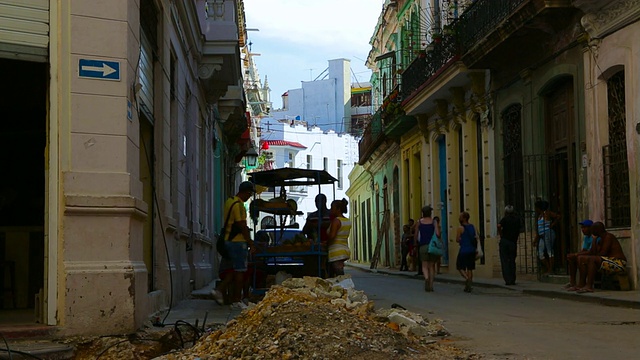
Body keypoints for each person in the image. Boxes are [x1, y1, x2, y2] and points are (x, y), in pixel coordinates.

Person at [215, 181, 256, 310]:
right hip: (237, 242)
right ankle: (236, 300)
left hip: (227, 240)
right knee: (240, 271)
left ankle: (220, 290)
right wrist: (250, 242)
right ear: (247, 192)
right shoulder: (239, 206)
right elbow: (241, 225)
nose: (249, 197)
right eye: (249, 194)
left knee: (233, 271)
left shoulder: (229, 202)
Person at [574, 221, 627, 293]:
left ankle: (589, 286)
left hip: (619, 263)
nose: (592, 232)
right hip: (608, 261)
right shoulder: (599, 238)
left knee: (591, 259)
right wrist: (594, 240)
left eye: (593, 230)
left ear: (597, 230)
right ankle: (581, 284)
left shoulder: (608, 237)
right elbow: (593, 252)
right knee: (582, 258)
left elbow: (603, 253)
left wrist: (593, 255)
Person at [565, 220, 598, 291]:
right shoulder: (586, 238)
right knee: (571, 258)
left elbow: (591, 252)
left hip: (593, 257)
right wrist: (575, 255)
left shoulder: (594, 237)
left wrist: (577, 254)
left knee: (580, 258)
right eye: (582, 228)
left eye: (584, 228)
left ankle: (582, 283)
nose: (582, 230)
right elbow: (584, 250)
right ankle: (572, 282)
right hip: (588, 255)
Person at [414, 206, 441, 292]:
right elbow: (438, 234)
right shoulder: (434, 222)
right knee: (432, 266)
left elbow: (415, 234)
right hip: (432, 246)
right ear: (430, 213)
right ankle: (431, 284)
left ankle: (426, 278)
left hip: (423, 246)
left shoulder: (419, 222)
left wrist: (415, 244)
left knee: (424, 265)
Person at [533, 200, 561, 275]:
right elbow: (539, 229)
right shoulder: (540, 216)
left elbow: (558, 216)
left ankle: (551, 269)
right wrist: (535, 239)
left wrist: (552, 224)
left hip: (548, 233)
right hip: (542, 235)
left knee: (550, 251)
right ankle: (549, 268)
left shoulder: (547, 213)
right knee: (540, 254)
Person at [326, 198, 351, 276]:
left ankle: (345, 287)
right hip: (344, 249)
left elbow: (332, 236)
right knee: (339, 274)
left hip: (336, 251)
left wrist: (326, 244)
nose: (330, 210)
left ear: (338, 209)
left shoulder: (336, 221)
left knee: (338, 275)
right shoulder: (347, 221)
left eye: (332, 208)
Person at [497, 205, 520, 285]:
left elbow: (499, 225)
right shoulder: (517, 219)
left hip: (505, 241)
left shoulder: (505, 219)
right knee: (512, 261)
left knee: (505, 261)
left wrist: (501, 234)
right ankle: (513, 279)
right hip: (513, 242)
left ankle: (508, 279)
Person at [456, 211, 478, 293]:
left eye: (460, 217)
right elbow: (476, 237)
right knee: (470, 268)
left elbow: (457, 239)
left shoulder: (460, 228)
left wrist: (462, 239)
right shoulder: (473, 227)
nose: (459, 218)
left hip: (464, 250)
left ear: (464, 218)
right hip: (472, 250)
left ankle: (467, 279)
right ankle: (468, 285)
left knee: (460, 267)